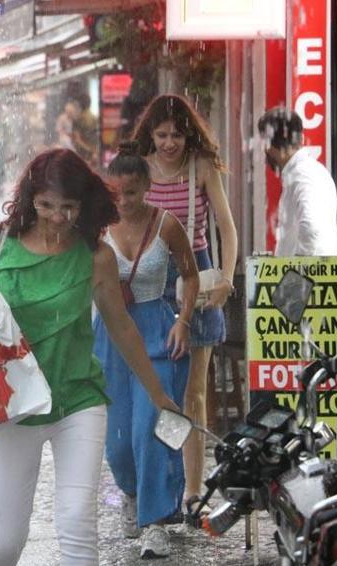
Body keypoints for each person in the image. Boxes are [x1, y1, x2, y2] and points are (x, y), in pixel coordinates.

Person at [0, 148, 181, 566]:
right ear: (30, 198)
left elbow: (121, 328)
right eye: (46, 205)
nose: (56, 217)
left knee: (77, 527)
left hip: (77, 401)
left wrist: (159, 395)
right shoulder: (0, 240)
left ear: (84, 205)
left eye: (68, 207)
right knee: (5, 543)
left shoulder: (97, 256)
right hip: (11, 404)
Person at [131, 94, 238, 522]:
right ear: (149, 135)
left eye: (176, 134)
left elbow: (227, 229)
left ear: (187, 133)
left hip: (199, 274)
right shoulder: (139, 169)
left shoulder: (201, 167)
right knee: (157, 390)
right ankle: (153, 487)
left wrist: (227, 280)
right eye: (161, 134)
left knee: (194, 393)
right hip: (149, 281)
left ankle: (194, 490)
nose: (170, 142)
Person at [92, 141, 199, 558]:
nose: (124, 202)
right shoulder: (97, 229)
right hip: (110, 339)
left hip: (157, 333)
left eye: (132, 193)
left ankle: (155, 521)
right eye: (116, 193)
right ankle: (134, 493)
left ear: (147, 187)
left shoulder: (167, 225)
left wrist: (184, 322)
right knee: (118, 441)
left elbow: (190, 276)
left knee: (150, 430)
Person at [257, 107, 337, 256]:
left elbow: (310, 229)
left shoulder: (302, 176)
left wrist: (295, 275)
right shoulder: (311, 171)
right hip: (318, 275)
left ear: (270, 146)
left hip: (308, 278)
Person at [70, 93, 100, 167]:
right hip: (95, 155)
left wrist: (89, 151)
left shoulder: (77, 120)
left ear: (79, 104)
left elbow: (77, 140)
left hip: (83, 156)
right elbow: (98, 137)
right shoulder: (95, 118)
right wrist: (94, 152)